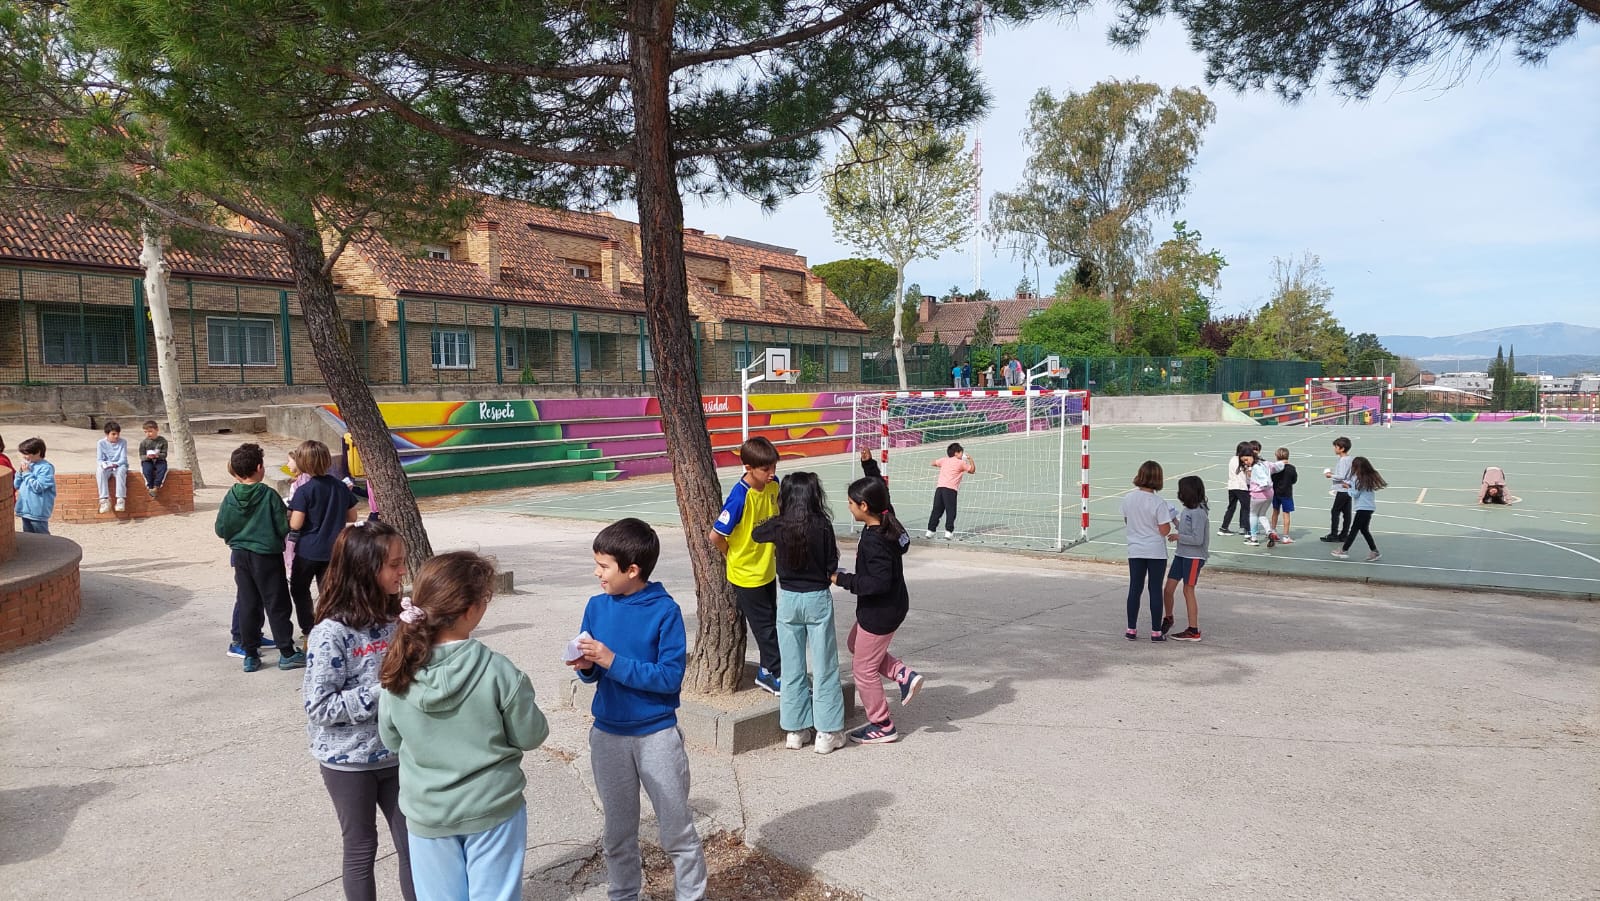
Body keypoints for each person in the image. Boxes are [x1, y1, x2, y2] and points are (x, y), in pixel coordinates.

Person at [379, 552, 548, 901]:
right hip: (492, 807)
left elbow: (391, 739)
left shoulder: (398, 670)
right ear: (471, 610)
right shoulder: (498, 670)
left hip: (427, 813)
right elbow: (531, 735)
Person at [569, 518, 708, 900]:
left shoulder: (665, 611)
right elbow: (594, 672)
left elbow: (669, 678)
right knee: (617, 833)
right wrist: (587, 667)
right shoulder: (596, 607)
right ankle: (623, 894)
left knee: (676, 831)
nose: (597, 573)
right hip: (608, 735)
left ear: (632, 570)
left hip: (656, 735)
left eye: (603, 566)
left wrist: (611, 660)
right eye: (596, 564)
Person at [302, 520, 416, 901]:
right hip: (347, 762)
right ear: (366, 570)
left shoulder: (397, 618)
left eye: (402, 562)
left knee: (414, 844)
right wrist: (385, 692)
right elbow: (319, 706)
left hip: (397, 754)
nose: (403, 571)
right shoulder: (331, 633)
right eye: (395, 564)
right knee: (361, 848)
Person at [751, 473, 847, 755]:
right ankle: (827, 732)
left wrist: (776, 514)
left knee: (792, 667)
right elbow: (832, 563)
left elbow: (757, 533)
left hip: (789, 600)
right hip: (817, 598)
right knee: (825, 666)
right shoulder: (822, 524)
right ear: (813, 495)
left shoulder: (779, 525)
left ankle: (795, 730)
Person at [834, 476, 923, 744]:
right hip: (890, 605)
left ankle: (882, 724)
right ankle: (903, 674)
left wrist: (842, 579)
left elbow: (877, 583)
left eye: (851, 503)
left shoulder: (875, 540)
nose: (849, 506)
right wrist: (869, 467)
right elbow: (881, 492)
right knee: (854, 643)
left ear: (864, 506)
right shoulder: (887, 520)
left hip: (880, 611)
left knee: (863, 669)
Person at [215, 442, 301, 672]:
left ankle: (250, 655)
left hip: (240, 555)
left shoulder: (230, 496)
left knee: (248, 602)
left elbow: (221, 528)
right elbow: (282, 527)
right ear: (260, 467)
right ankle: (287, 652)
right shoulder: (268, 495)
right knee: (276, 602)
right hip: (267, 556)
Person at [709, 436, 782, 695]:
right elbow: (715, 535)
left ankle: (766, 669)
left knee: (772, 621)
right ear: (748, 468)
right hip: (746, 574)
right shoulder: (739, 498)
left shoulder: (774, 485)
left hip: (767, 569)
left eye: (774, 467)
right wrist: (731, 555)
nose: (771, 473)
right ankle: (775, 673)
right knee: (765, 628)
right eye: (765, 469)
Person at [289, 439, 361, 641]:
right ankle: (330, 625)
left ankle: (308, 627)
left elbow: (296, 524)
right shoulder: (340, 487)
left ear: (302, 463)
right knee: (329, 591)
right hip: (334, 549)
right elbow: (352, 516)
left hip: (308, 550)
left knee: (299, 588)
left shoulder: (304, 491)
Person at [1121, 461, 1173, 641]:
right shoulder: (1159, 502)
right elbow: (1164, 530)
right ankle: (1156, 631)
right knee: (1155, 589)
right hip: (1155, 550)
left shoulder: (1128, 498)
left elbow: (1127, 521)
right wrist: (1170, 518)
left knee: (1135, 588)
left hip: (1135, 548)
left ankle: (1131, 629)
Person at [1162, 476, 1210, 642]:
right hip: (1181, 554)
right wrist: (1174, 519)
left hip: (1194, 557)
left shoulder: (1199, 512)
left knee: (1188, 590)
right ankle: (1168, 618)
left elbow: (1197, 539)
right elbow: (1184, 528)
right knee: (1168, 589)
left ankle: (1193, 630)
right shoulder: (1188, 510)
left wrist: (1178, 537)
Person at [1333, 457, 1388, 562]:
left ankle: (1344, 550)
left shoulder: (1357, 479)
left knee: (1354, 530)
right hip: (1369, 507)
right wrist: (1350, 486)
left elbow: (1355, 494)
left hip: (1362, 508)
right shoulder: (1367, 477)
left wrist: (1347, 488)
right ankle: (1374, 551)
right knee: (1364, 530)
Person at [925, 442, 975, 540]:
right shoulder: (961, 463)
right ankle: (948, 532)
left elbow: (933, 463)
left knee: (936, 510)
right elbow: (972, 470)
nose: (962, 454)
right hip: (950, 490)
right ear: (956, 453)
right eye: (961, 452)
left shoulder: (944, 460)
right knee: (951, 511)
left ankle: (930, 531)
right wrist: (970, 459)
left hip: (939, 489)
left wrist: (944, 465)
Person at [13, 437, 55, 535]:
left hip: (37, 511)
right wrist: (20, 473)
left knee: (42, 537)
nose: (24, 457)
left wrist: (27, 473)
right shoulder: (29, 466)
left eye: (27, 454)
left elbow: (38, 487)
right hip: (25, 509)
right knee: (29, 537)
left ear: (38, 452)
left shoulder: (46, 468)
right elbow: (16, 485)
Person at [1321, 436, 1354, 542]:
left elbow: (1342, 476)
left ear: (1342, 448)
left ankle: (1334, 534)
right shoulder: (1350, 459)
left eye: (1336, 447)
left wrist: (1330, 475)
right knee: (1346, 513)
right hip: (1348, 489)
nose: (1334, 449)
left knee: (1335, 511)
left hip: (1342, 489)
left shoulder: (1343, 460)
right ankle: (1344, 534)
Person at [95, 420, 130, 514]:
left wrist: (116, 464)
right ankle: (104, 500)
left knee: (121, 472)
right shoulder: (101, 443)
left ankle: (120, 500)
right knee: (99, 471)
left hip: (119, 465)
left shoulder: (123, 442)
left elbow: (123, 458)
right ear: (107, 434)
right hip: (107, 466)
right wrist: (104, 465)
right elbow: (99, 459)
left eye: (118, 434)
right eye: (113, 434)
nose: (116, 436)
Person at [1218, 441, 1251, 535]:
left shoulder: (1232, 459)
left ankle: (1224, 527)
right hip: (1241, 487)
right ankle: (1245, 528)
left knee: (1231, 507)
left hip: (1232, 487)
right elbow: (1248, 474)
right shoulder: (1243, 460)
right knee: (1245, 508)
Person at [1269, 447, 1298, 543]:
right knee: (1286, 514)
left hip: (1275, 492)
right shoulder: (1291, 468)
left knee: (1275, 511)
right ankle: (1285, 536)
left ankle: (1273, 531)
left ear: (1277, 456)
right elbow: (1294, 480)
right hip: (1286, 493)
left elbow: (1271, 478)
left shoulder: (1274, 468)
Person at [138, 420, 169, 498]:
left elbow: (164, 454)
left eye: (150, 431)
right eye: (145, 432)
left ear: (157, 430)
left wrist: (157, 455)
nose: (148, 434)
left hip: (159, 460)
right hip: (148, 461)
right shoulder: (143, 443)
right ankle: (150, 487)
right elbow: (141, 456)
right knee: (147, 470)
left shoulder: (162, 441)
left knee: (162, 469)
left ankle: (156, 486)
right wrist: (147, 457)